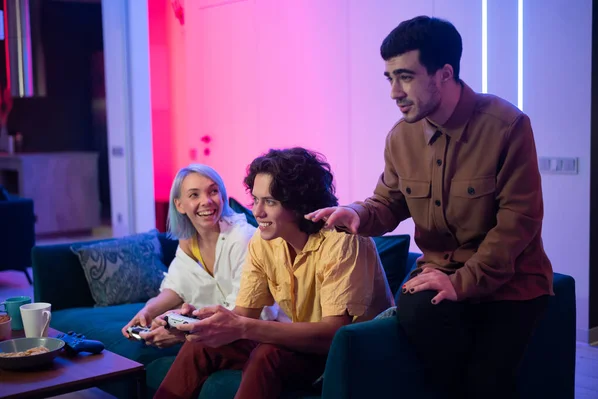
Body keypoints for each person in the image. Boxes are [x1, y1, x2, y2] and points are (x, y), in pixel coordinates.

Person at [306, 15, 553, 399]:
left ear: (444, 73)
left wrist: (460, 283)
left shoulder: (507, 126)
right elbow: (388, 202)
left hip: (510, 283)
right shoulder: (401, 138)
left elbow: (518, 224)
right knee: (420, 318)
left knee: (486, 380)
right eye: (389, 78)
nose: (393, 92)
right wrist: (356, 213)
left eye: (405, 76)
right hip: (438, 276)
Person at [153, 148, 394, 399]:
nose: (257, 212)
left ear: (299, 204)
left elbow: (334, 334)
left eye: (269, 201)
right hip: (305, 345)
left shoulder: (342, 240)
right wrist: (200, 323)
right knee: (201, 345)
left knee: (268, 354)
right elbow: (244, 314)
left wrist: (244, 327)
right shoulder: (263, 241)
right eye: (255, 200)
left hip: (353, 354)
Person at [121, 164, 278, 348]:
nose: (206, 201)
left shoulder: (243, 238)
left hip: (259, 329)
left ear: (222, 196)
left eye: (213, 191)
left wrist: (182, 334)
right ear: (179, 205)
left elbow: (243, 314)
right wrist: (147, 312)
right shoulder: (188, 242)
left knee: (193, 347)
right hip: (226, 329)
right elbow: (175, 288)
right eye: (194, 195)